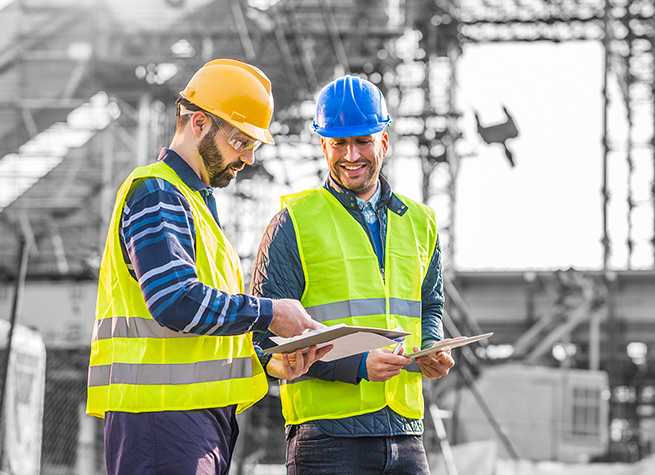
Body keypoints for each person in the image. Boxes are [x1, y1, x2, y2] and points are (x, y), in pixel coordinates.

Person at [86, 59, 330, 475]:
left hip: (190, 422)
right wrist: (271, 313)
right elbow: (177, 302)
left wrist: (269, 362)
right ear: (198, 123)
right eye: (241, 141)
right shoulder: (157, 192)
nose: (249, 157)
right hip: (162, 423)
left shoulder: (193, 203)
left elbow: (199, 334)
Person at [251, 75, 455, 474]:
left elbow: (429, 304)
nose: (351, 155)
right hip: (326, 439)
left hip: (405, 432)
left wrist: (431, 347)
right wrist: (358, 365)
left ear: (384, 140)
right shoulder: (293, 223)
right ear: (323, 144)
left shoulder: (421, 221)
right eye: (338, 143)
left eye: (362, 141)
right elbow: (268, 339)